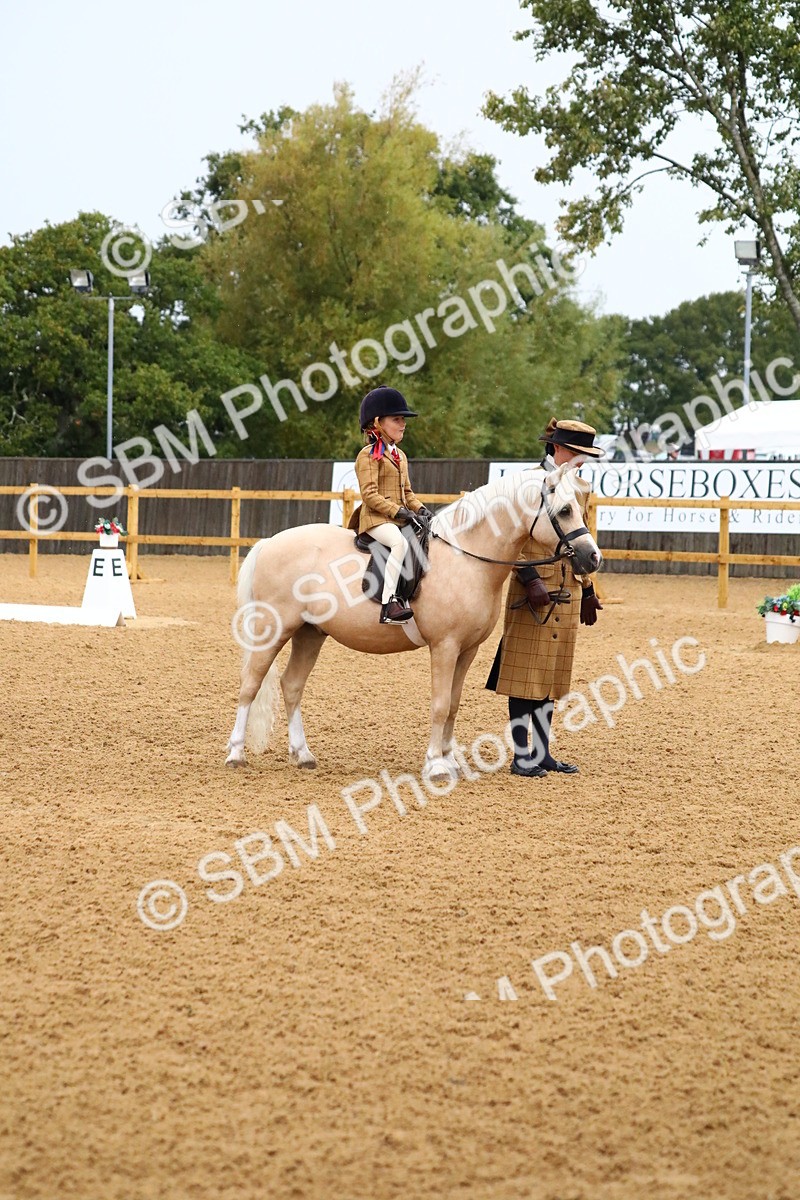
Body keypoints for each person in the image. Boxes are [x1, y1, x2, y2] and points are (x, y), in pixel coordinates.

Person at [486, 418, 604, 777]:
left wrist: (588, 588)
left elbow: (579, 537)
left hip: (567, 587)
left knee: (551, 675)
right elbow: (508, 538)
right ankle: (522, 755)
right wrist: (529, 576)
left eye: (586, 455)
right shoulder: (526, 484)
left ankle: (542, 752)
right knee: (525, 675)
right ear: (557, 448)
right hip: (534, 588)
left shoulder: (579, 487)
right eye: (577, 453)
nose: (581, 461)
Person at [354, 386, 433, 624]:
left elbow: (407, 493)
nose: (403, 424)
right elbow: (369, 495)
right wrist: (399, 511)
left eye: (403, 420)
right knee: (398, 542)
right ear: (378, 422)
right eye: (396, 419)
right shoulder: (368, 455)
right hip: (376, 519)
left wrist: (421, 509)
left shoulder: (400, 455)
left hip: (399, 517)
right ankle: (389, 604)